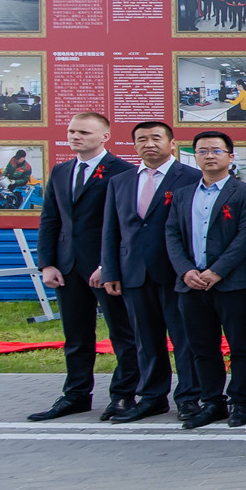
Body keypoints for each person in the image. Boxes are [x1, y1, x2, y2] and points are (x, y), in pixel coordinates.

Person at [29, 112, 140, 422]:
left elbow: (127, 224)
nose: (75, 137)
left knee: (123, 335)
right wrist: (47, 264)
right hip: (67, 267)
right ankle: (76, 395)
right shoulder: (61, 171)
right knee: (76, 336)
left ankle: (123, 395)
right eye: (72, 131)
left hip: (107, 269)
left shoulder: (124, 172)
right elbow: (50, 219)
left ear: (105, 136)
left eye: (84, 132)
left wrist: (109, 264)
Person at [99, 121, 203, 423]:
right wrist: (110, 270)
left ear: (172, 143)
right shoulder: (121, 181)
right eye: (142, 139)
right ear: (134, 145)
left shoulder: (191, 177)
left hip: (177, 272)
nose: (149, 144)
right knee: (145, 339)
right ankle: (152, 398)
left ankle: (189, 397)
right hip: (133, 272)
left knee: (185, 338)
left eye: (156, 138)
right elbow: (111, 229)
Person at [165, 131, 246, 429]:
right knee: (202, 347)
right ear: (194, 156)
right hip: (191, 283)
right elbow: (172, 234)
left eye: (216, 151)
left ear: (230, 157)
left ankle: (239, 402)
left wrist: (217, 271)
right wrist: (186, 270)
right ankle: (212, 402)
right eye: (202, 151)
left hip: (233, 283)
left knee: (240, 345)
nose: (209, 156)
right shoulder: (182, 194)